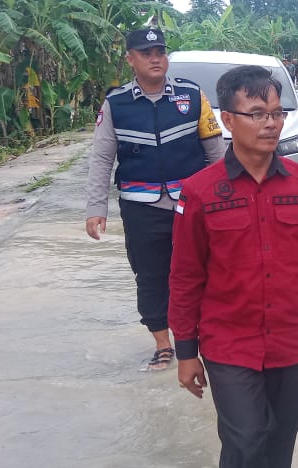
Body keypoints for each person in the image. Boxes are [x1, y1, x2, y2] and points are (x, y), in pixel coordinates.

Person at [169, 65, 298, 468]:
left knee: (279, 450)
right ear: (228, 119)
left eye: (277, 113)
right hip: (229, 345)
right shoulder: (200, 192)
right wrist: (185, 351)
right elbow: (185, 277)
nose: (271, 123)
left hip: (292, 343)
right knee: (246, 443)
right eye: (257, 114)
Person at [84, 28, 224, 372]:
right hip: (140, 207)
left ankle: (201, 338)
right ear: (130, 59)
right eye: (146, 53)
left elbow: (215, 152)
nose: (155, 58)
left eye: (160, 51)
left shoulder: (192, 96)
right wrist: (96, 208)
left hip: (190, 206)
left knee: (203, 271)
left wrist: (222, 199)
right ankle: (163, 344)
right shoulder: (116, 104)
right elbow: (102, 158)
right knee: (150, 276)